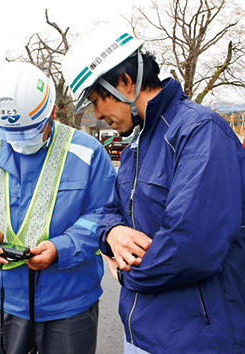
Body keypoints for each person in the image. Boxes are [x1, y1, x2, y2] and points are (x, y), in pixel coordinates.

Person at [62, 25, 245, 354]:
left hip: (197, 340)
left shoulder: (199, 132)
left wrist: (123, 273)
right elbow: (110, 210)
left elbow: (191, 247)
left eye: (96, 101)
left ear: (125, 82)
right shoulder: (137, 144)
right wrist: (112, 233)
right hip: (142, 333)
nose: (98, 115)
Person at [0, 61, 116, 354]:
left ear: (51, 112)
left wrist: (61, 248)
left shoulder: (88, 153)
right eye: (9, 134)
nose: (18, 142)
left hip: (69, 303)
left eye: (29, 132)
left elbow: (102, 216)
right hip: (1, 301)